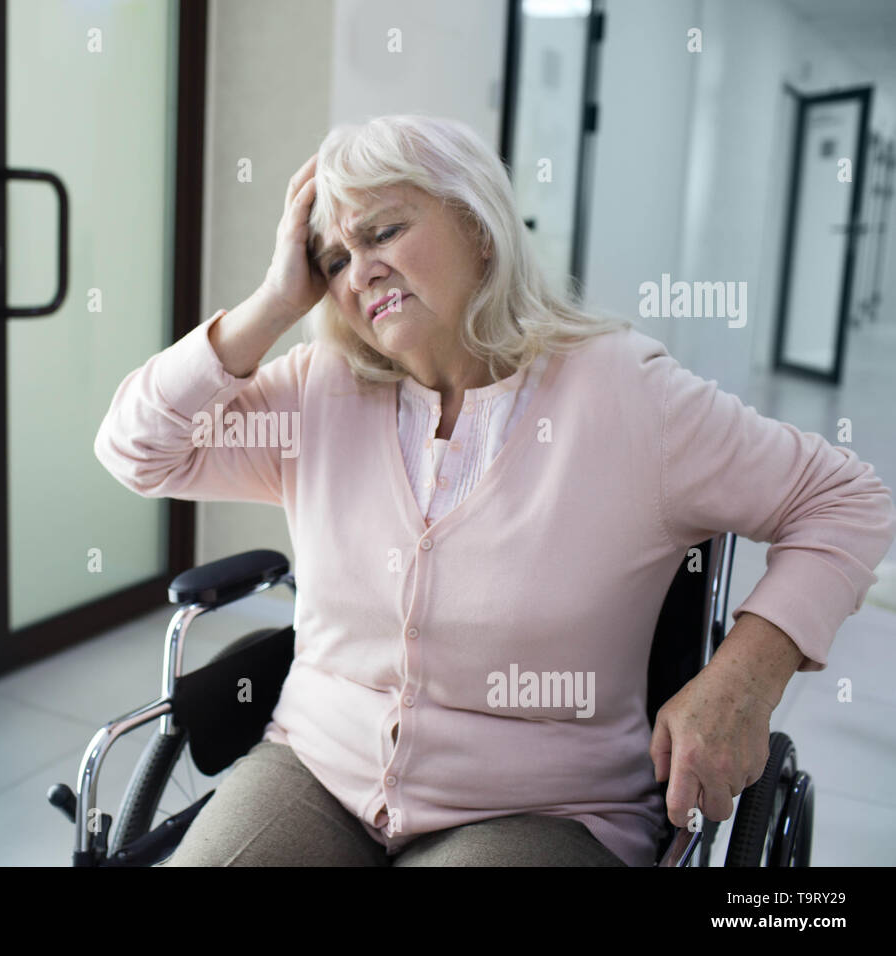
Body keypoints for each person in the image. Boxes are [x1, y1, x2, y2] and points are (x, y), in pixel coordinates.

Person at [93, 114, 896, 866]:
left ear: (478, 229)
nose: (362, 267)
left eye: (386, 231)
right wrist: (273, 301)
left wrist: (746, 677)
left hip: (542, 805)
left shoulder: (623, 394)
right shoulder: (320, 393)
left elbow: (847, 499)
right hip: (317, 765)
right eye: (335, 260)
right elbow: (136, 451)